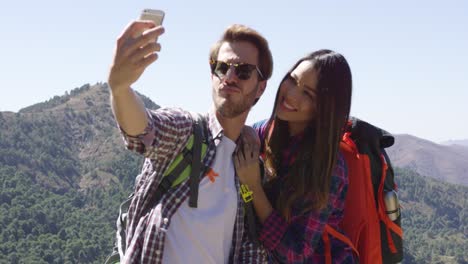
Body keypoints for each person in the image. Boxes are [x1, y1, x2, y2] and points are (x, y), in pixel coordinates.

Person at [107, 21, 273, 263]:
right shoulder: (187, 131)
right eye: (222, 67)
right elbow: (143, 130)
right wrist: (120, 89)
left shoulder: (250, 169)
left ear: (260, 88)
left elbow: (252, 247)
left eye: (243, 71)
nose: (229, 77)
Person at [234, 50, 358, 263]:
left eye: (308, 94)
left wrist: (253, 187)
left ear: (324, 108)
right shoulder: (270, 131)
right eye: (292, 80)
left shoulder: (329, 168)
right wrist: (243, 133)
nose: (291, 95)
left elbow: (295, 253)